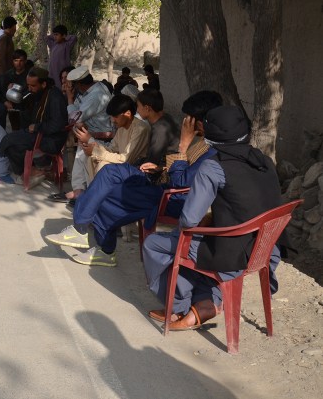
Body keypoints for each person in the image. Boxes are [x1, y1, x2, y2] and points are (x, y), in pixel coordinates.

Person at [143, 105, 286, 330]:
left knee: (155, 244)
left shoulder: (213, 166)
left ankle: (179, 306)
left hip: (232, 254)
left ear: (210, 135)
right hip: (265, 249)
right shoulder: (263, 160)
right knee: (192, 240)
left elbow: (189, 220)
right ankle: (204, 303)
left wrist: (206, 220)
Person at [46, 92, 219, 268]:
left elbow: (181, 183)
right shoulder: (204, 142)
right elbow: (182, 171)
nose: (185, 122)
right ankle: (88, 236)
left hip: (172, 197)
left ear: (200, 122)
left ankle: (96, 243)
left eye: (188, 118)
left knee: (108, 187)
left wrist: (183, 145)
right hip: (160, 179)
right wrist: (161, 168)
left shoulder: (213, 153)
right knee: (107, 179)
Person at [0, 67, 68, 180]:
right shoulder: (37, 92)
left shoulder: (55, 97)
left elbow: (57, 124)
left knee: (10, 142)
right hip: (39, 133)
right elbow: (24, 105)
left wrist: (36, 127)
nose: (29, 89)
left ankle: (30, 170)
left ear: (43, 84)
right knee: (9, 141)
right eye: (28, 85)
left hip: (51, 139)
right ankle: (31, 169)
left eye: (32, 86)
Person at [63, 65, 114, 202]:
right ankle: (78, 194)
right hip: (87, 135)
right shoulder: (89, 92)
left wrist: (69, 98)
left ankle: (87, 199)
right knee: (79, 169)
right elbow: (78, 116)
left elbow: (74, 118)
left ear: (78, 84)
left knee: (88, 172)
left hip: (99, 138)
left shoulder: (96, 95)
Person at [74, 93, 150, 183]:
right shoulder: (121, 128)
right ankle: (88, 190)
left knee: (102, 165)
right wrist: (92, 145)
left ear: (128, 114)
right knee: (89, 157)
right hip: (123, 164)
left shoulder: (140, 128)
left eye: (116, 117)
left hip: (135, 168)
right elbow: (112, 149)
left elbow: (126, 159)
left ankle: (98, 194)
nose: (113, 120)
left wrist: (95, 151)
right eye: (111, 117)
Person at [0, 49, 30, 131]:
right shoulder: (7, 75)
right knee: (15, 128)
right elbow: (1, 92)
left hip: (26, 105)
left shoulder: (30, 74)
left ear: (25, 61)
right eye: (16, 60)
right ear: (12, 61)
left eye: (21, 61)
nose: (18, 63)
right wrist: (6, 102)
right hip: (12, 106)